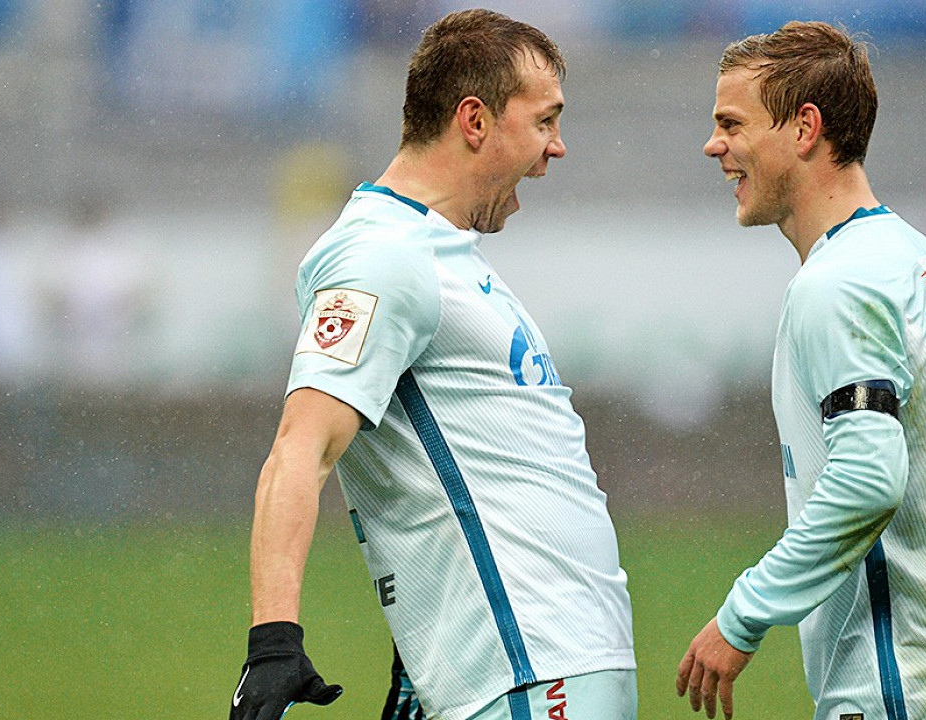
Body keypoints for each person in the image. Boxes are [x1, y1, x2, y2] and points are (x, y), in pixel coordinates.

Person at [228, 10, 636, 720]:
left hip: (553, 663)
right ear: (474, 120)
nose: (557, 147)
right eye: (544, 121)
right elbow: (300, 448)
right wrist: (273, 641)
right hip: (528, 672)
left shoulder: (438, 251)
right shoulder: (381, 256)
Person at [676, 21, 926, 720]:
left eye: (732, 124)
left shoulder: (837, 284)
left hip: (905, 690)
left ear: (804, 128)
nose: (713, 145)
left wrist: (743, 615)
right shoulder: (921, 260)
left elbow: (868, 479)